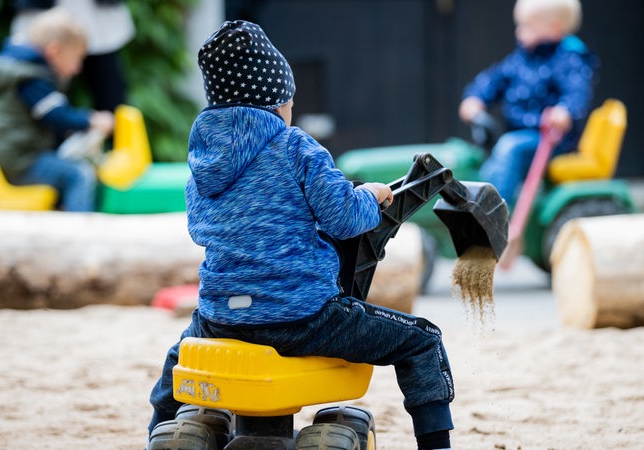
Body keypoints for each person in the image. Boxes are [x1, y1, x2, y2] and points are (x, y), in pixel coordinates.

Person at [148, 20, 455, 450]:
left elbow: (200, 228)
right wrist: (368, 195)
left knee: (176, 365)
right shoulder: (296, 147)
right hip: (301, 317)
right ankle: (437, 445)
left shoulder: (202, 160)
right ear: (276, 103)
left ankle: (159, 428)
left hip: (220, 318)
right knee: (423, 340)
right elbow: (345, 220)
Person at [458, 0, 597, 206]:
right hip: (518, 138)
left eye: (527, 26)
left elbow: (577, 92)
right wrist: (475, 98)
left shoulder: (568, 59)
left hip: (550, 141)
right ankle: (478, 208)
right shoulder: (523, 58)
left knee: (508, 149)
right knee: (489, 164)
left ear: (555, 28)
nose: (519, 32)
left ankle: (496, 213)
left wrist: (564, 111)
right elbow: (495, 79)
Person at [0, 7, 114, 212]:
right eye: (76, 58)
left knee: (66, 161)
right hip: (21, 160)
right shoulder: (32, 78)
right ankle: (80, 228)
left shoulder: (24, 69)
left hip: (17, 154)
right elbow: (57, 115)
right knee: (79, 173)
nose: (78, 68)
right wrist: (92, 120)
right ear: (54, 51)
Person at [11, 0, 135, 112]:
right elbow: (51, 111)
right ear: (53, 50)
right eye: (76, 61)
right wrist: (87, 120)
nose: (77, 69)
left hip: (98, 22)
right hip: (43, 15)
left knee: (112, 98)